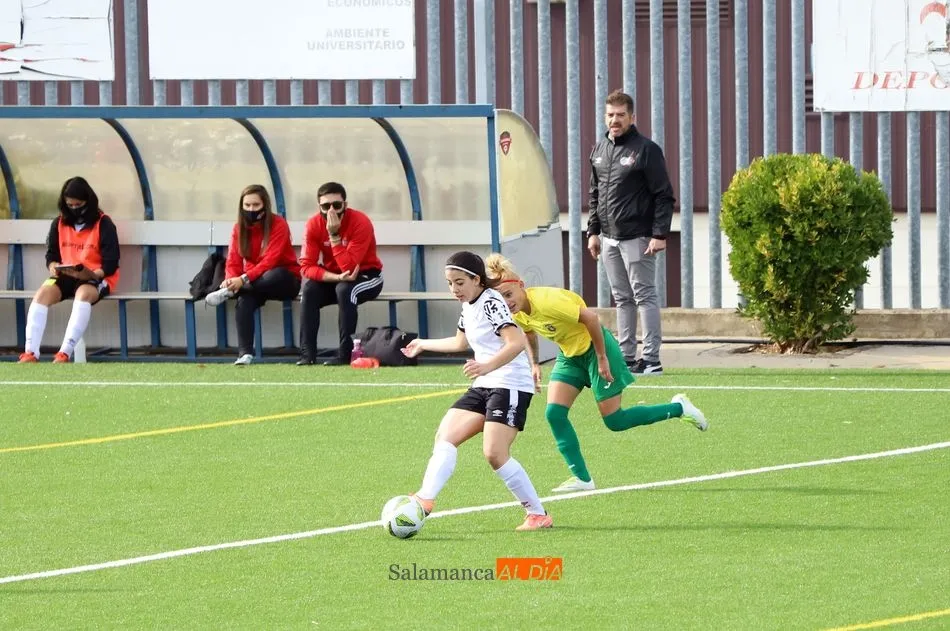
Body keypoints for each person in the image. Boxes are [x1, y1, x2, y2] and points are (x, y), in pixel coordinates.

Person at [485, 253, 708, 494]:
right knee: (554, 414)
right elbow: (528, 333)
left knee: (615, 421)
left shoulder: (548, 302)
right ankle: (582, 479)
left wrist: (602, 359)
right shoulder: (517, 312)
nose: (506, 302)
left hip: (596, 347)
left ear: (521, 286)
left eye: (508, 295)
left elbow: (591, 318)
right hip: (570, 355)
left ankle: (679, 408)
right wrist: (535, 364)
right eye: (500, 298)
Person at [400, 251, 553, 531]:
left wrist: (486, 366)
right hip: (485, 384)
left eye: (459, 282)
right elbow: (460, 342)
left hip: (510, 384)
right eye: (449, 283)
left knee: (494, 453)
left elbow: (516, 342)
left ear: (476, 279)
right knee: (444, 437)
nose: (454, 289)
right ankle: (425, 499)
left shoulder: (491, 301)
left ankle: (538, 514)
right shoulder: (469, 304)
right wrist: (423, 343)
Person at [587, 89, 676, 376]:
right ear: (605, 116)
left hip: (638, 236)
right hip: (609, 239)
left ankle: (651, 359)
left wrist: (660, 234)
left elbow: (664, 195)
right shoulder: (599, 151)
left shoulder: (646, 150)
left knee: (644, 296)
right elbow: (595, 195)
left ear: (632, 117)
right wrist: (593, 232)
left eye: (620, 115)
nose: (615, 120)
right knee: (621, 298)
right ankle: (626, 356)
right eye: (610, 115)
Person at [19, 177, 120, 363]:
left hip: (95, 276)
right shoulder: (59, 223)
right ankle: (30, 352)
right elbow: (51, 255)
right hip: (66, 274)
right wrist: (53, 267)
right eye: (69, 205)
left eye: (78, 204)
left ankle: (64, 352)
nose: (74, 208)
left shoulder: (103, 223)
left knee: (83, 295)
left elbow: (111, 262)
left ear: (88, 202)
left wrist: (95, 274)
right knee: (42, 294)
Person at [204, 184, 301, 365]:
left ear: (265, 205)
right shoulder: (238, 229)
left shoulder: (278, 224)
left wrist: (242, 280)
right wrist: (230, 279)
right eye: (247, 205)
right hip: (253, 283)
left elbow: (270, 261)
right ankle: (245, 354)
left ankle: (234, 291)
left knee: (274, 275)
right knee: (245, 300)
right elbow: (233, 260)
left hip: (284, 281)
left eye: (256, 205)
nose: (251, 209)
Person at [297, 181, 384, 366]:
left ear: (345, 204)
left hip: (367, 276)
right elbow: (306, 266)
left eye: (336, 205)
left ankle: (345, 354)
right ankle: (307, 355)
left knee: (345, 290)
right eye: (325, 206)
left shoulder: (361, 222)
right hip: (336, 277)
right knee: (310, 290)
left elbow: (350, 267)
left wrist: (334, 236)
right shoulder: (313, 224)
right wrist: (335, 277)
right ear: (319, 207)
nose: (331, 211)